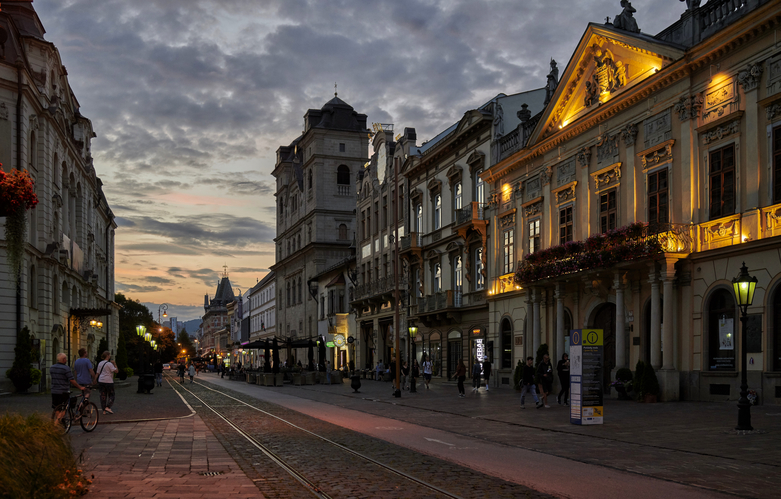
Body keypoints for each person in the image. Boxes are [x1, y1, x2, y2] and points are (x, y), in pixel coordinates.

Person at [51, 352, 85, 423]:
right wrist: (80, 387)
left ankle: (60, 423)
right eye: (65, 358)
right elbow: (71, 380)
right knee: (65, 408)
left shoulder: (52, 367)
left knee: (56, 407)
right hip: (63, 391)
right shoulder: (66, 368)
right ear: (63, 359)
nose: (66, 360)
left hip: (54, 391)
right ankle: (56, 422)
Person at [96, 351, 118, 415]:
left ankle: (104, 410)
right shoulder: (109, 364)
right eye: (109, 355)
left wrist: (95, 380)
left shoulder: (100, 363)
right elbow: (116, 371)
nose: (110, 356)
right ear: (108, 356)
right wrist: (114, 364)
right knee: (111, 395)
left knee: (103, 395)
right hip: (108, 381)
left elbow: (97, 373)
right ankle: (108, 407)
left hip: (101, 380)